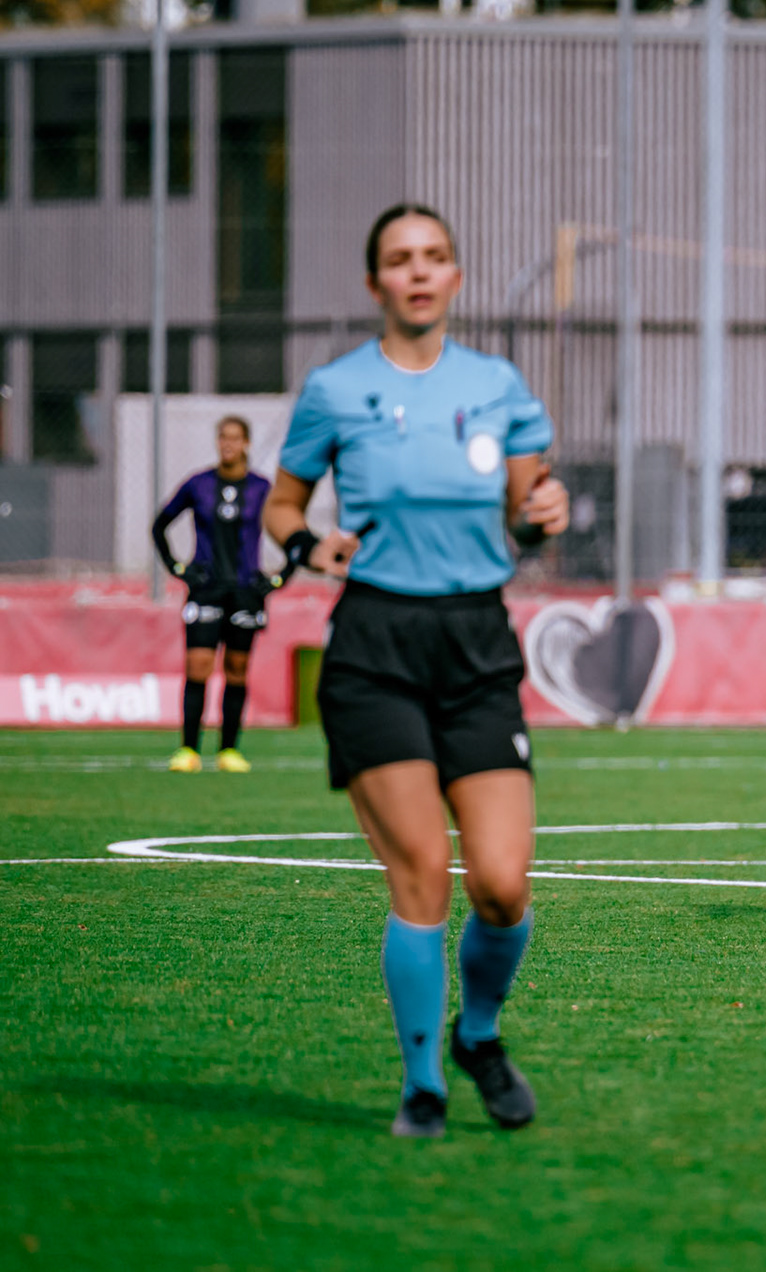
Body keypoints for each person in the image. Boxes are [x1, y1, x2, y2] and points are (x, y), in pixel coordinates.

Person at [263, 203, 570, 1138]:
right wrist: (311, 545)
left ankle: (479, 1034)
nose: (419, 272)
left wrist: (543, 511)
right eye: (400, 260)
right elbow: (282, 506)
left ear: (456, 277)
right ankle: (422, 1084)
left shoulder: (499, 383)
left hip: (476, 646)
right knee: (421, 876)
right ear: (376, 284)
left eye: (435, 257)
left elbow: (527, 508)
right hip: (375, 650)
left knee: (505, 886)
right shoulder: (333, 389)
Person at [152, 416, 273, 774]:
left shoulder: (262, 488)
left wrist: (279, 577)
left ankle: (229, 751)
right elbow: (160, 524)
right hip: (206, 589)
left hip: (244, 592)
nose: (228, 444)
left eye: (235, 438)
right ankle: (188, 749)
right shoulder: (199, 484)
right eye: (223, 438)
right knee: (198, 667)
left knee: (237, 669)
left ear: (247, 443)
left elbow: (289, 528)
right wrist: (177, 568)